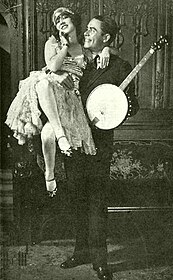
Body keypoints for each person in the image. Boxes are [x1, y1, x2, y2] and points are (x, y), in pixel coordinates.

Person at [59, 15, 139, 280]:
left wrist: (116, 110)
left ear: (106, 38)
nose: (86, 33)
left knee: (96, 200)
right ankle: (81, 250)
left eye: (93, 30)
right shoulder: (76, 60)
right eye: (87, 29)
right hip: (73, 140)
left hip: (99, 143)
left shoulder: (119, 66)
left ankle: (100, 260)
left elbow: (132, 105)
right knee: (76, 197)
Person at [5, 7, 112, 197]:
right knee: (43, 82)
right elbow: (53, 66)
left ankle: (49, 174)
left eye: (64, 17)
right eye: (56, 21)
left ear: (74, 21)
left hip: (71, 97)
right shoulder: (52, 43)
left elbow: (100, 46)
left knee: (48, 133)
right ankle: (61, 137)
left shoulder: (84, 46)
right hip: (49, 93)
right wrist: (63, 46)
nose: (60, 21)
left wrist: (106, 49)